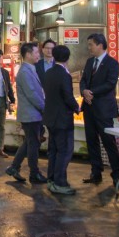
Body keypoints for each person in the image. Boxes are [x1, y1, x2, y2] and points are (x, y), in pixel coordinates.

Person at [79, 33, 119, 186]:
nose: (89, 47)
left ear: (100, 45)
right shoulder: (90, 62)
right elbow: (83, 80)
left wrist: (92, 92)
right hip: (89, 108)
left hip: (104, 109)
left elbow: (110, 84)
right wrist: (84, 91)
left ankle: (117, 174)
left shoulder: (112, 63)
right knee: (92, 141)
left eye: (91, 44)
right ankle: (95, 172)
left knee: (108, 142)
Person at [6, 42, 46, 184]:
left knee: (30, 142)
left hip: (33, 114)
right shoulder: (24, 72)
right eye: (36, 52)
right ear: (28, 54)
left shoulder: (30, 69)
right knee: (33, 144)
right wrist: (44, 108)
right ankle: (34, 173)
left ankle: (14, 167)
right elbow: (32, 94)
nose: (38, 55)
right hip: (31, 114)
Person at [43, 45, 78, 195]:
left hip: (50, 118)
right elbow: (68, 96)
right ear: (68, 58)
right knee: (64, 151)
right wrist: (77, 107)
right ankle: (59, 182)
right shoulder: (65, 75)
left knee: (54, 150)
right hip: (62, 119)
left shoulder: (49, 72)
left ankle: (51, 179)